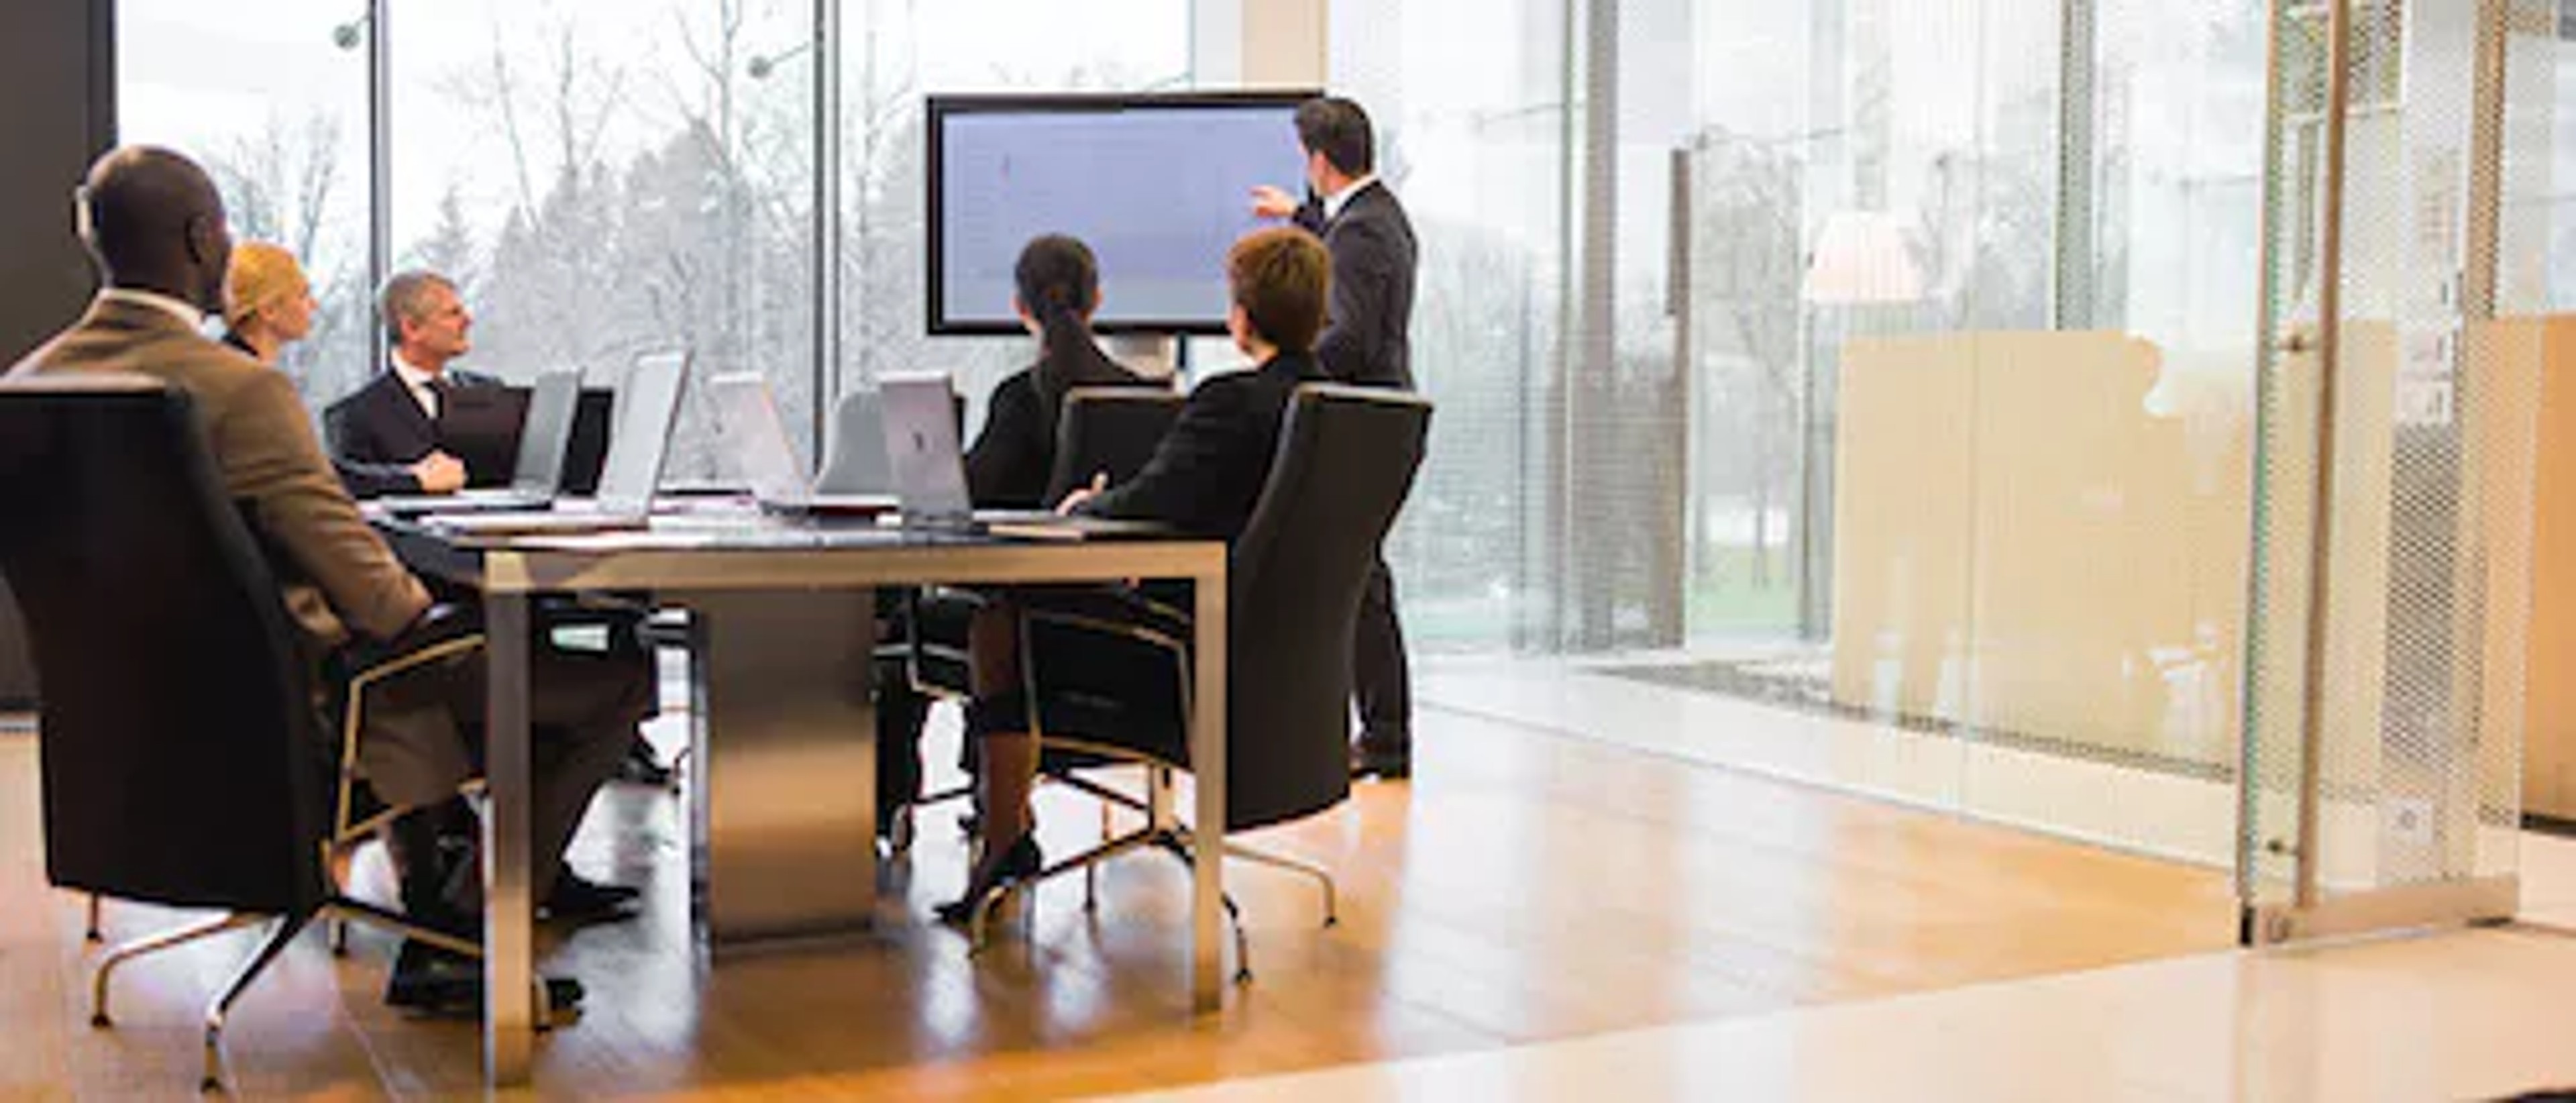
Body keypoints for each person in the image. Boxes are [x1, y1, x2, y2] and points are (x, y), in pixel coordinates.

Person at [7, 147, 645, 1015]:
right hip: (291, 724)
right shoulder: (239, 390)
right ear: (201, 240)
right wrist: (461, 606)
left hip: (136, 738)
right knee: (611, 680)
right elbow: (383, 603)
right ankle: (466, 929)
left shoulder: (28, 386)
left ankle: (441, 894)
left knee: (428, 662)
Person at [938, 227, 1331, 921]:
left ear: (1241, 316)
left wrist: (1088, 504)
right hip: (1290, 669)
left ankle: (1006, 838)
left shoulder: (1230, 402)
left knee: (999, 623)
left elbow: (1154, 498)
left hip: (1181, 659)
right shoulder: (1340, 411)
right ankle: (1008, 831)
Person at [328, 268, 674, 787]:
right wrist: (417, 482)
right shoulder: (357, 414)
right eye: (452, 311)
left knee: (627, 608)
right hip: (437, 586)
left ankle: (616, 741)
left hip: (512, 561)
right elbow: (357, 507)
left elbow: (529, 474)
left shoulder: (489, 395)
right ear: (411, 327)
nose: (467, 318)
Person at [875, 235, 1167, 827]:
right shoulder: (1147, 400)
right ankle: (987, 793)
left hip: (1017, 633)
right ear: (1097, 300)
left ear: (1019, 307)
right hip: (1124, 626)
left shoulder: (1020, 400)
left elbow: (969, 499)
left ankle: (887, 802)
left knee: (904, 618)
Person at [1253, 96, 1419, 781]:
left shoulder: (1362, 233)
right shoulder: (1372, 216)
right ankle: (1383, 735)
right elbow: (1341, 252)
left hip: (1365, 424)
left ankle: (1385, 737)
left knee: (1361, 581)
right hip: (1379, 422)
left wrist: (1285, 365)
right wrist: (1298, 217)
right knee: (1362, 577)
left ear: (1319, 161)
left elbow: (1349, 337)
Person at [219, 241, 466, 499]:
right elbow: (308, 473)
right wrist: (415, 480)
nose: (313, 305)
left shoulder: (233, 370)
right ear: (269, 310)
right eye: (302, 295)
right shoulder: (248, 382)